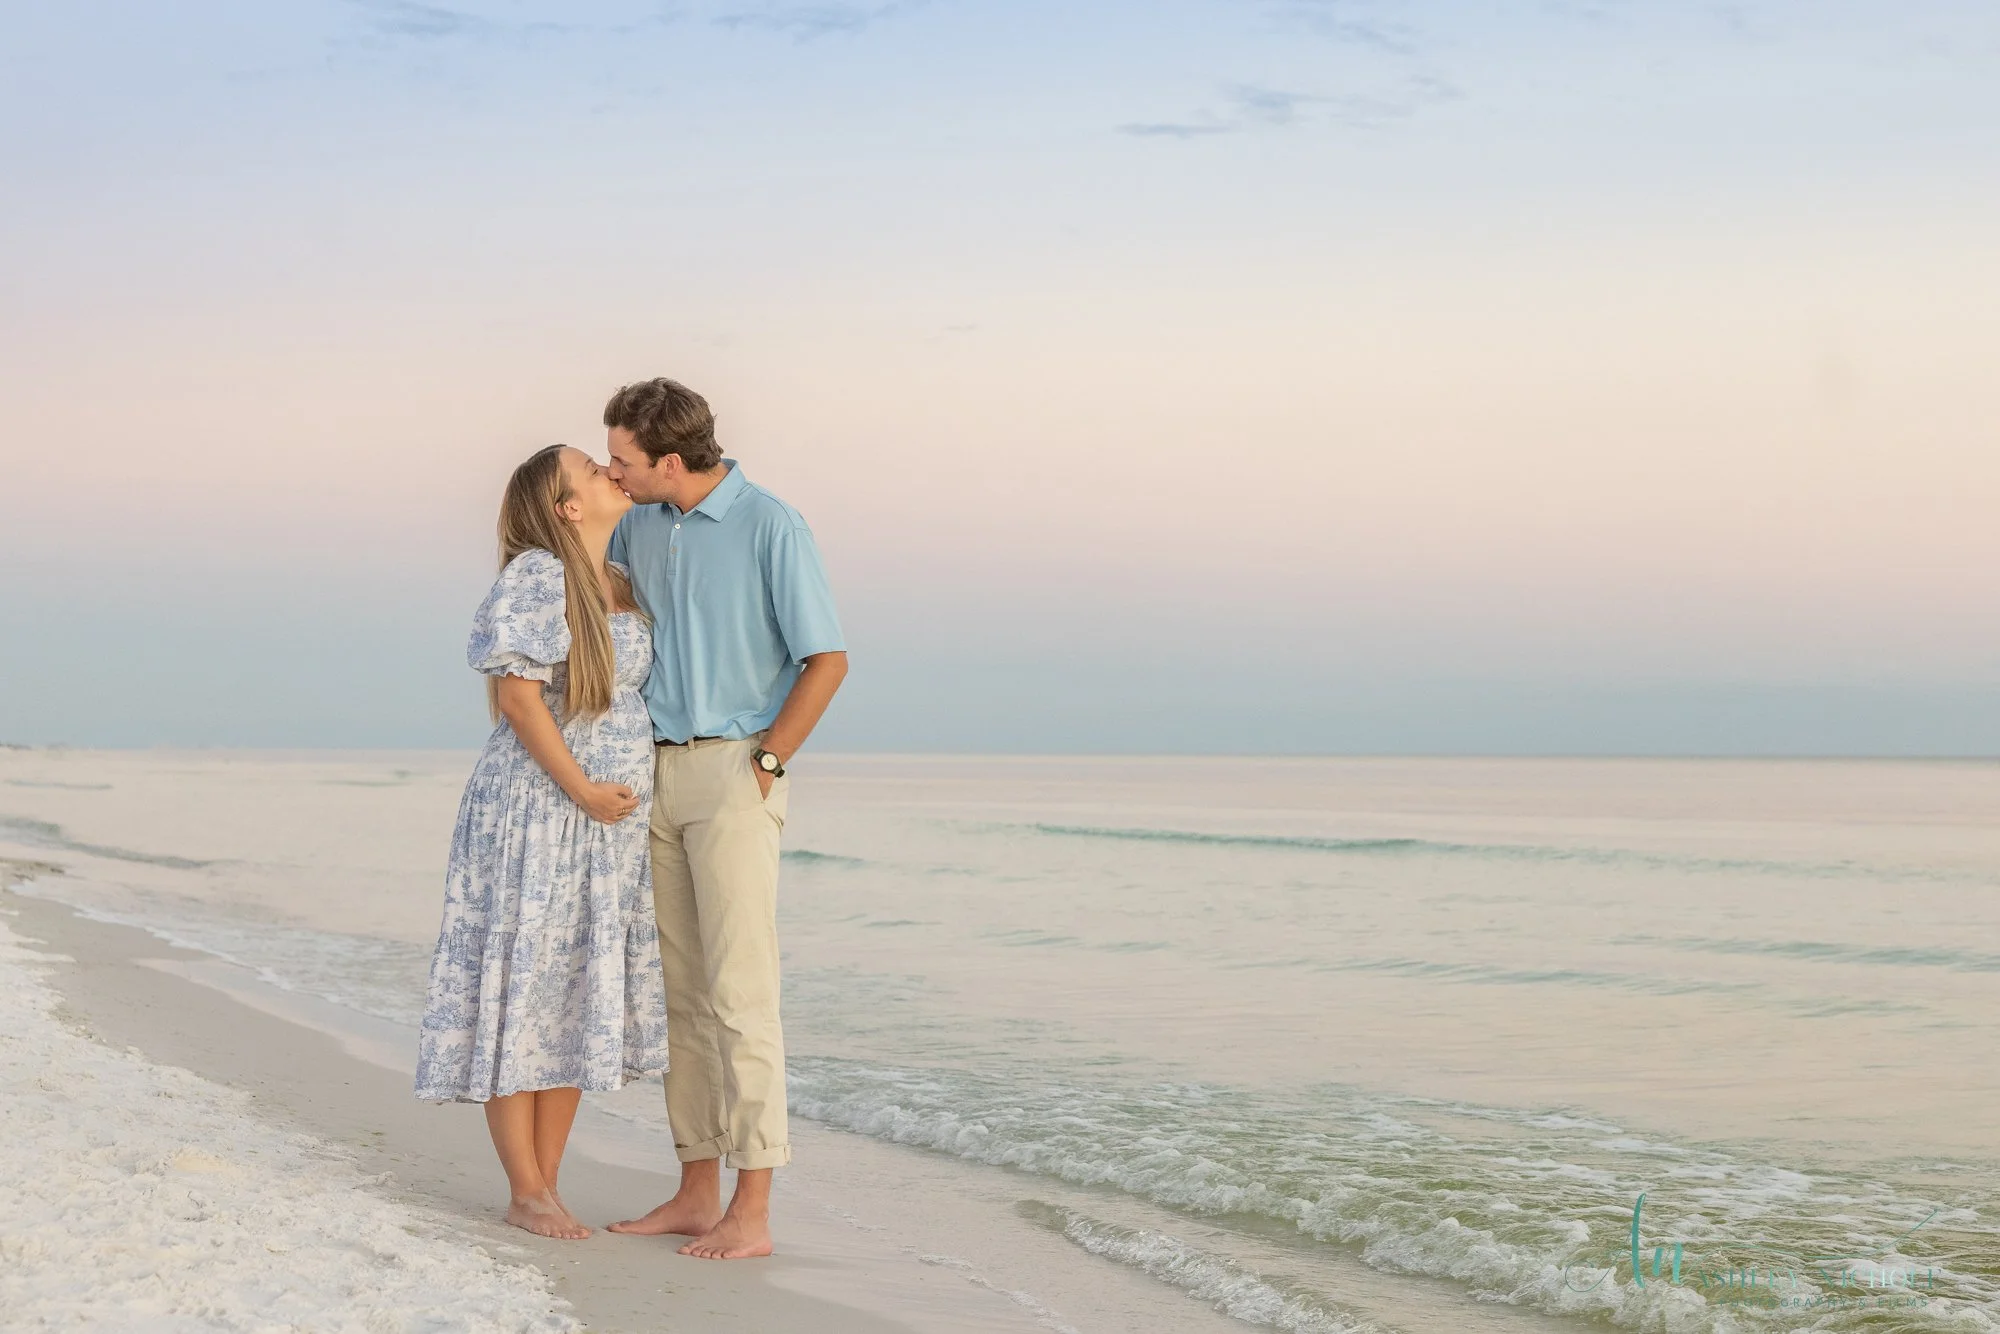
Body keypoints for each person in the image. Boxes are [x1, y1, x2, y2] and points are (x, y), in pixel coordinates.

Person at [600, 379, 848, 1260]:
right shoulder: (637, 523)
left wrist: (770, 762)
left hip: (736, 772)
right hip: (653, 776)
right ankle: (696, 1190)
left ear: (670, 460)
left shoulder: (771, 525)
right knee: (684, 999)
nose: (611, 471)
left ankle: (755, 1209)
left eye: (622, 458)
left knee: (742, 994)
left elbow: (827, 657)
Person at [414, 444, 671, 1242]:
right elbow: (520, 701)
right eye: (592, 470)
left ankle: (547, 1185)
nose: (608, 473)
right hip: (540, 813)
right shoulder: (537, 574)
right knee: (524, 985)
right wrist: (585, 789)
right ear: (565, 507)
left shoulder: (619, 583)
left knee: (572, 993)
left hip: (603, 830)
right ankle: (524, 1188)